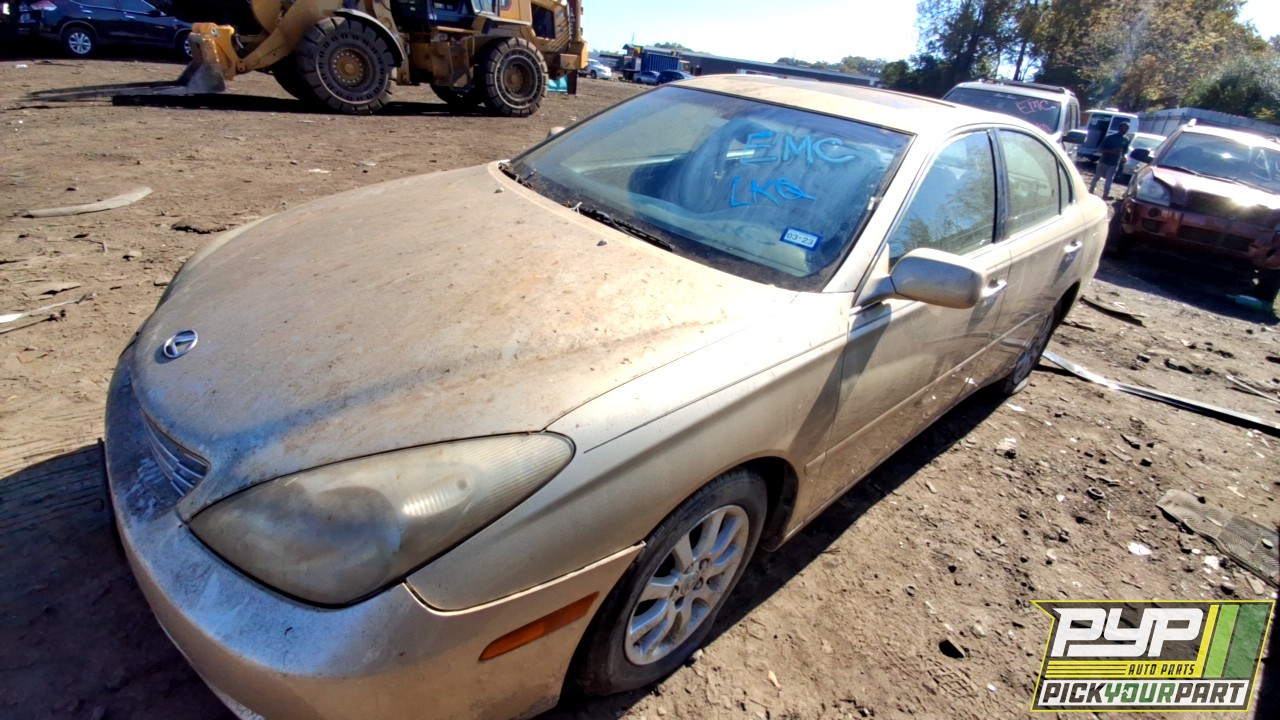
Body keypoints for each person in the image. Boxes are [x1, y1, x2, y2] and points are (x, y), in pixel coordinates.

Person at [1089, 122, 1132, 199]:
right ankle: (1091, 191)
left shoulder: (1126, 139)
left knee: (1109, 179)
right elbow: (1100, 149)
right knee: (1097, 177)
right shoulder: (1109, 138)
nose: (1125, 130)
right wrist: (1112, 151)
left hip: (1115, 162)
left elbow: (1124, 151)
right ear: (1119, 128)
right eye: (1124, 128)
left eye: (1127, 129)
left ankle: (1105, 194)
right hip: (1104, 161)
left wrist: (1124, 157)